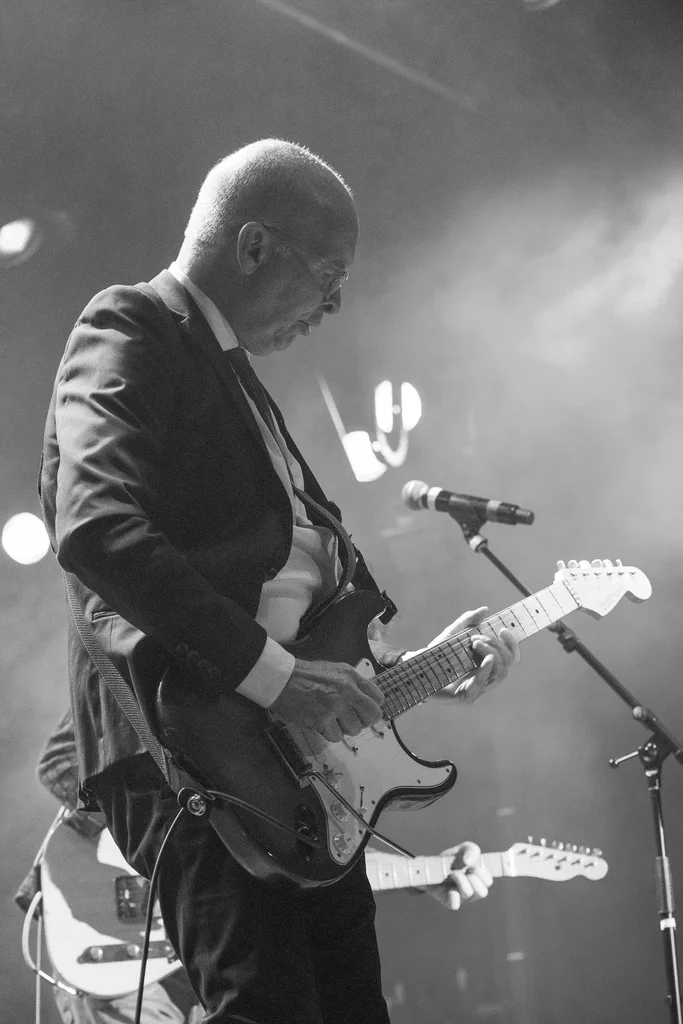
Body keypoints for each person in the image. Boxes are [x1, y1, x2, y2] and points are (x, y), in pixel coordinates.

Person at [39, 138, 520, 1024]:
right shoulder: (131, 325)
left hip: (281, 765)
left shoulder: (238, 382)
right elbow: (96, 528)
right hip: (185, 741)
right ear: (253, 244)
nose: (335, 303)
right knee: (264, 1005)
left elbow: (290, 602)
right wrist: (282, 680)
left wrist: (397, 672)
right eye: (327, 272)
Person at [17, 709, 494, 1024]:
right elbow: (60, 764)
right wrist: (148, 842)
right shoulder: (146, 653)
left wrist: (423, 871)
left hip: (217, 937)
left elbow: (293, 850)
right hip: (111, 924)